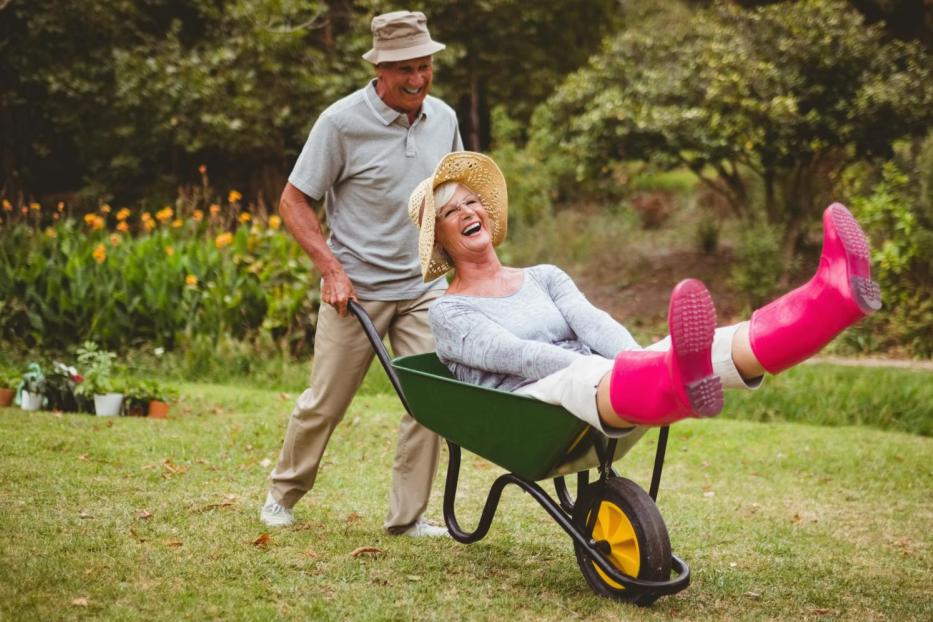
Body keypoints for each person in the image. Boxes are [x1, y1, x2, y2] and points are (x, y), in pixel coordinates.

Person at [406, 152, 881, 433]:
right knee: (599, 373)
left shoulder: (544, 275)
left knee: (714, 342)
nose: (470, 212)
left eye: (473, 202)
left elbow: (593, 322)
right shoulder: (450, 311)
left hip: (605, 383)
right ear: (441, 239)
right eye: (452, 212)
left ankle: (831, 299)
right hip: (532, 406)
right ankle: (662, 379)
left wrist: (638, 357)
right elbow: (519, 357)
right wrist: (623, 369)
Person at [260, 11, 463, 536]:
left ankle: (407, 517)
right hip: (356, 290)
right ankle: (282, 495)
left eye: (425, 67)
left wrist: (463, 267)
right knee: (325, 402)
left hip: (422, 286)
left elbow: (455, 195)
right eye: (405, 71)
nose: (417, 80)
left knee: (430, 401)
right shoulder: (341, 123)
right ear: (380, 70)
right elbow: (293, 200)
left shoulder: (443, 118)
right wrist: (331, 269)